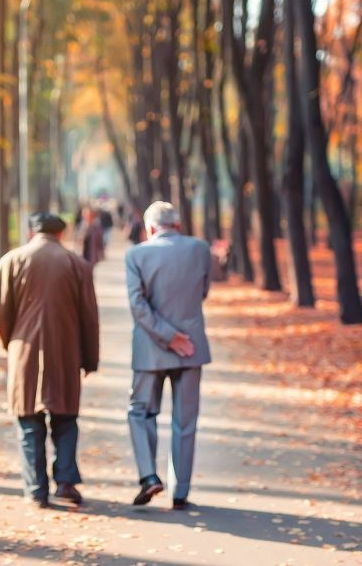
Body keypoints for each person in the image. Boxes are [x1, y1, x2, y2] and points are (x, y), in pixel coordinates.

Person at [0, 213, 100, 509]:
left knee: (28, 421)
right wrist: (90, 358)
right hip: (65, 351)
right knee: (65, 419)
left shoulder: (11, 261)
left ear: (30, 231)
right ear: (61, 234)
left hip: (24, 351)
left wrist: (12, 341)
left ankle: (36, 490)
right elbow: (89, 316)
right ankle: (65, 481)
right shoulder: (77, 264)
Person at [125, 201, 212, 511]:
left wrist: (167, 335)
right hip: (191, 347)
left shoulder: (136, 254)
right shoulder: (200, 249)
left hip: (150, 349)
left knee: (140, 412)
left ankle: (149, 477)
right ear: (178, 226)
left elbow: (138, 307)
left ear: (150, 229)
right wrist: (179, 335)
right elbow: (202, 291)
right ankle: (180, 492)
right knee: (185, 421)